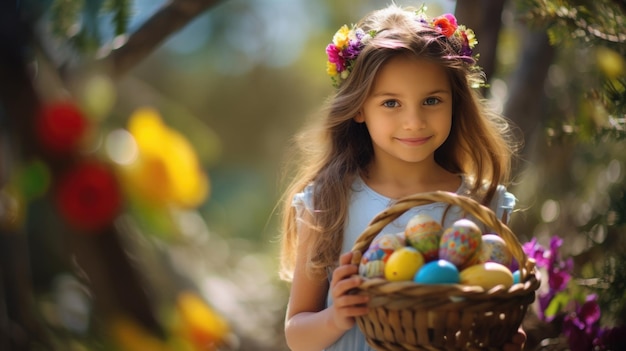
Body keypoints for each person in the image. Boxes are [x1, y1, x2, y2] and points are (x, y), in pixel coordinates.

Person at [279, 4, 526, 351]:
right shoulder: (328, 202)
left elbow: (487, 305)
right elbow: (297, 334)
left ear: (455, 102)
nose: (414, 122)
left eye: (431, 100)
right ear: (360, 108)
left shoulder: (482, 203)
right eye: (391, 103)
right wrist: (336, 317)